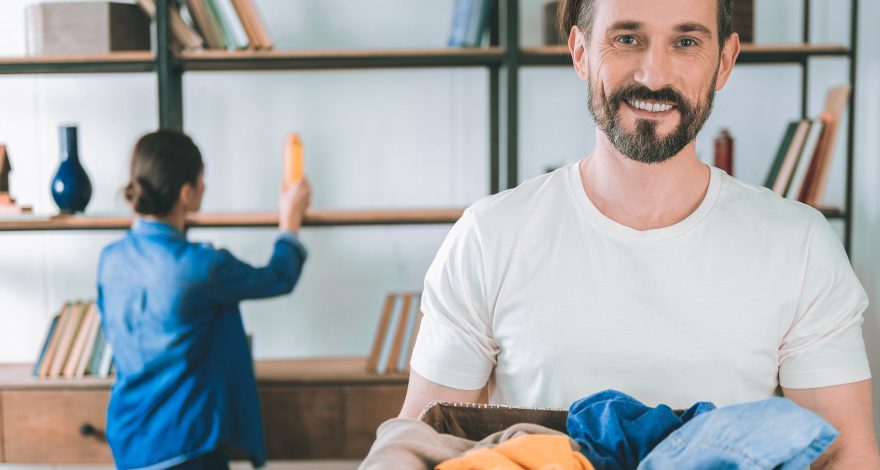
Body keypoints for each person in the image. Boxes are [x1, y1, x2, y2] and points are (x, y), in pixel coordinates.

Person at [399, 0, 880, 467]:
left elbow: (845, 455)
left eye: (686, 41)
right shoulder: (488, 238)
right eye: (627, 38)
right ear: (581, 52)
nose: (654, 75)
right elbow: (422, 443)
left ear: (725, 61)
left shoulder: (800, 246)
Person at [97, 130, 311, 469]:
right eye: (201, 179)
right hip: (186, 444)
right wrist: (290, 221)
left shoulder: (110, 260)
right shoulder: (201, 266)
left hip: (129, 439)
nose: (205, 186)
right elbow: (278, 277)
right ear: (186, 193)